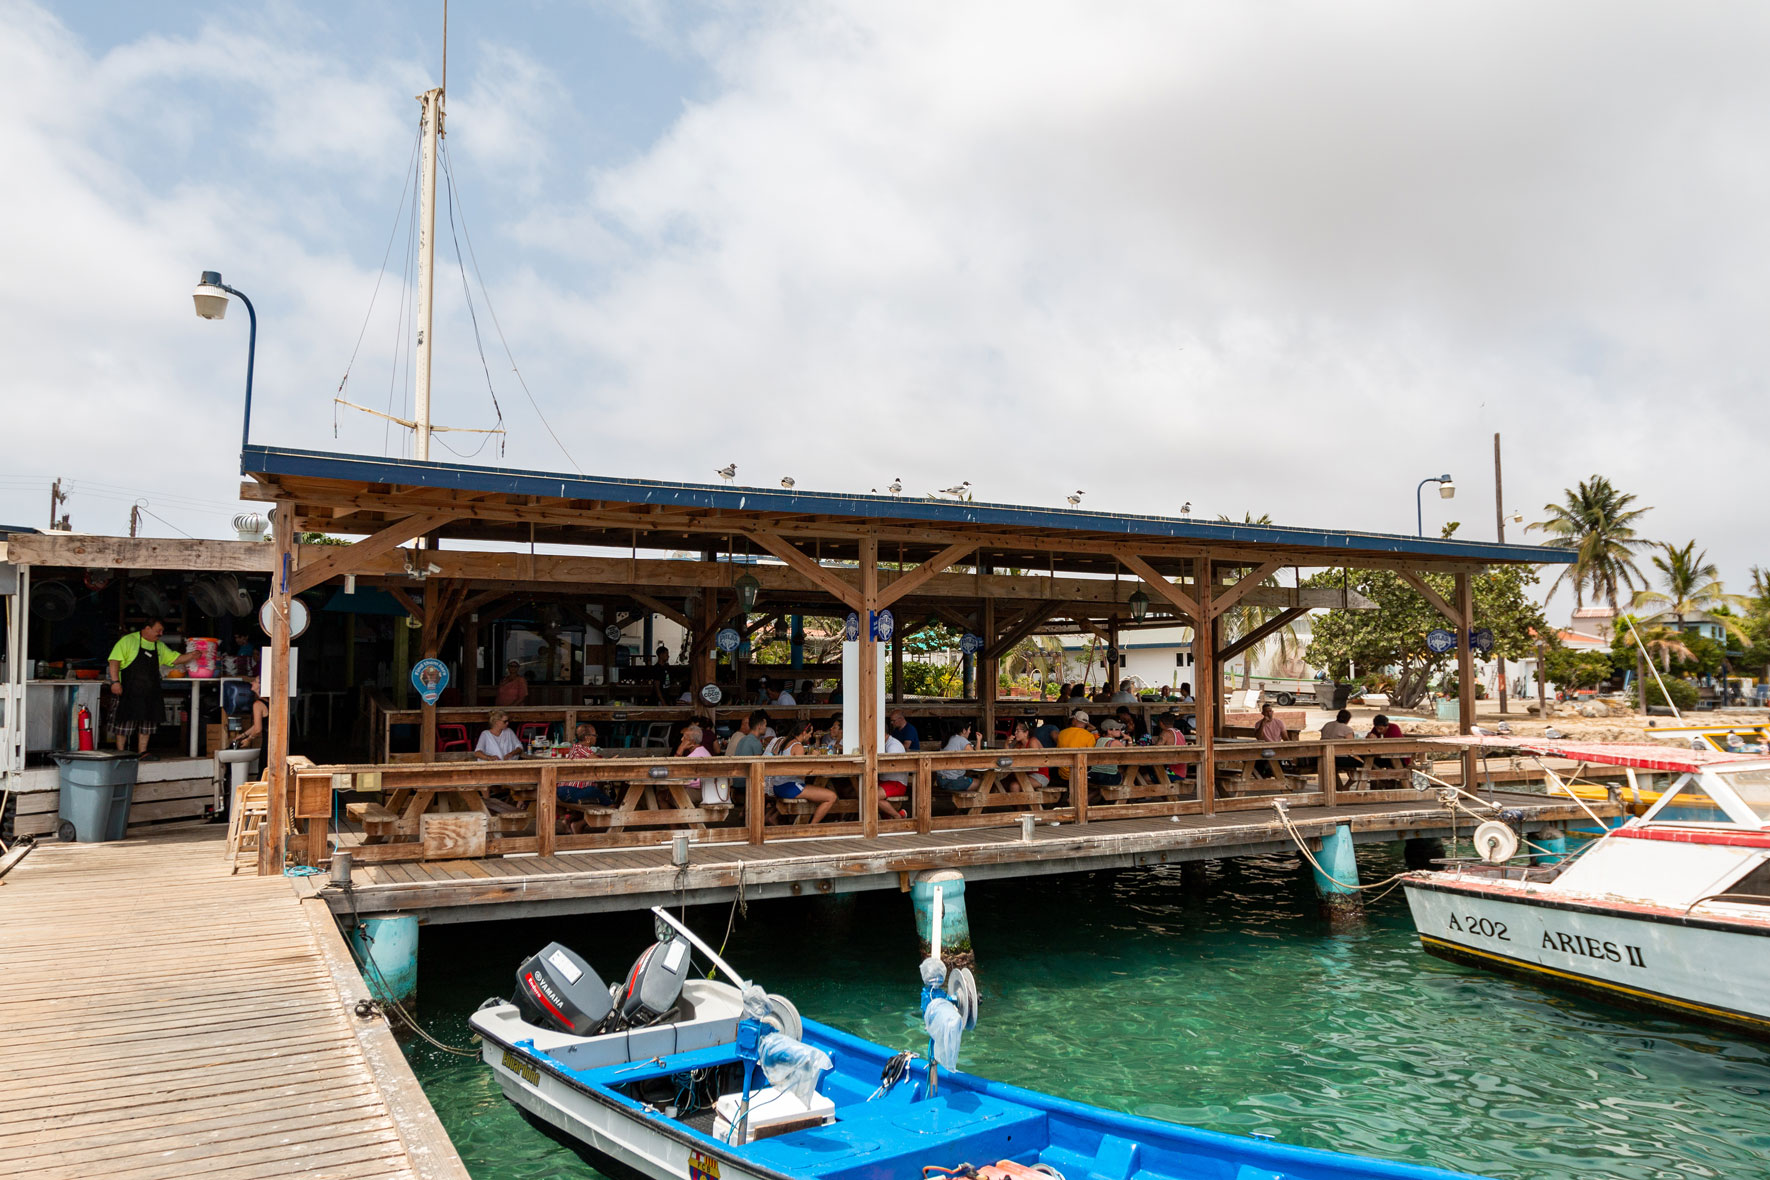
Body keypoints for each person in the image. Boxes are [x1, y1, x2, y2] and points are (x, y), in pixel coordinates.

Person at [106, 617, 194, 754]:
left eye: (162, 631)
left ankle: (142, 753)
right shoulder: (128, 641)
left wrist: (192, 655)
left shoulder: (159, 646)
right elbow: (114, 661)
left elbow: (176, 659)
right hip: (128, 691)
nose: (161, 634)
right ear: (147, 628)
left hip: (150, 693)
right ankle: (121, 753)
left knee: (146, 726)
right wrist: (115, 682)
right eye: (158, 630)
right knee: (124, 725)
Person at [766, 719, 837, 822]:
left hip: (777, 786)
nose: (810, 736)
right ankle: (811, 828)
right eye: (810, 733)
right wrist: (812, 758)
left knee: (817, 792)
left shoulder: (785, 742)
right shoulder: (798, 747)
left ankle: (776, 818)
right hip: (789, 786)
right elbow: (802, 774)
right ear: (804, 733)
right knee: (831, 796)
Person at [558, 724, 614, 826]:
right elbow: (603, 763)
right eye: (594, 735)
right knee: (610, 804)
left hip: (563, 791)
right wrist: (612, 760)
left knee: (593, 796)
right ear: (587, 738)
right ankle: (580, 824)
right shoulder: (584, 750)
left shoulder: (575, 748)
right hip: (572, 791)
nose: (596, 737)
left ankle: (568, 821)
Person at [1006, 719, 1051, 795]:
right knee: (1003, 783)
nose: (1015, 733)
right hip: (1026, 774)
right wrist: (1006, 744)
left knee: (1014, 786)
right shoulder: (1018, 745)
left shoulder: (1033, 741)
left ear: (1026, 733)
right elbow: (1008, 758)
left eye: (1018, 731)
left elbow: (1035, 761)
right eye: (1015, 731)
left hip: (1039, 776)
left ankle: (1024, 803)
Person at [1318, 709, 1363, 786]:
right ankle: (1346, 786)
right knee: (1363, 763)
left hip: (1324, 756)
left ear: (1337, 716)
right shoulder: (1347, 729)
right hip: (1339, 758)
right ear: (1348, 719)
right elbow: (1351, 746)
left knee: (1334, 770)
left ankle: (1341, 788)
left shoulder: (1327, 725)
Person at [1053, 709, 1096, 784]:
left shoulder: (1062, 733)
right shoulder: (1089, 736)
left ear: (1074, 720)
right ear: (1086, 723)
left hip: (1063, 774)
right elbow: (1091, 757)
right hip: (1081, 774)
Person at [232, 675, 271, 750]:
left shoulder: (258, 704)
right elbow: (258, 724)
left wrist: (249, 739)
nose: (251, 682)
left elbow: (258, 729)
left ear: (261, 686)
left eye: (255, 681)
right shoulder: (268, 701)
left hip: (267, 743)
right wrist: (243, 735)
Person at [936, 723, 976, 792]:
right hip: (952, 781)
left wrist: (979, 740)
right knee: (983, 784)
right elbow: (975, 759)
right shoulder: (962, 740)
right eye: (969, 729)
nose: (970, 732)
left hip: (941, 780)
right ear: (964, 730)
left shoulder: (948, 739)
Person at [879, 732, 911, 818]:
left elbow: (891, 764)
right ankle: (888, 818)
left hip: (896, 783)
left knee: (872, 795)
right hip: (884, 781)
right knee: (863, 792)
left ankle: (897, 816)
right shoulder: (884, 744)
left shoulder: (894, 746)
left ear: (883, 733)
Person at [1254, 703, 1288, 778]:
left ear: (1272, 712)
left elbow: (1285, 738)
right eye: (1266, 712)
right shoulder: (1258, 724)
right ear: (1263, 713)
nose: (1269, 713)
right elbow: (1258, 737)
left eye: (1270, 711)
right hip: (1264, 749)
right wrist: (1263, 724)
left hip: (1277, 748)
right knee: (1258, 761)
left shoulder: (1279, 723)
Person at [1153, 712, 1188, 782]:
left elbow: (1155, 751)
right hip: (1182, 773)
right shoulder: (1179, 732)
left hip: (1173, 773)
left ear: (1161, 723)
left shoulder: (1165, 733)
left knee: (1146, 777)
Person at [1091, 718, 1126, 787]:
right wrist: (1129, 740)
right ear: (1109, 731)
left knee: (1120, 770)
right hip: (1107, 777)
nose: (1120, 731)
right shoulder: (1115, 742)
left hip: (1094, 775)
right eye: (1117, 729)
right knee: (1126, 774)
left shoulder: (1099, 740)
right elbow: (1130, 756)